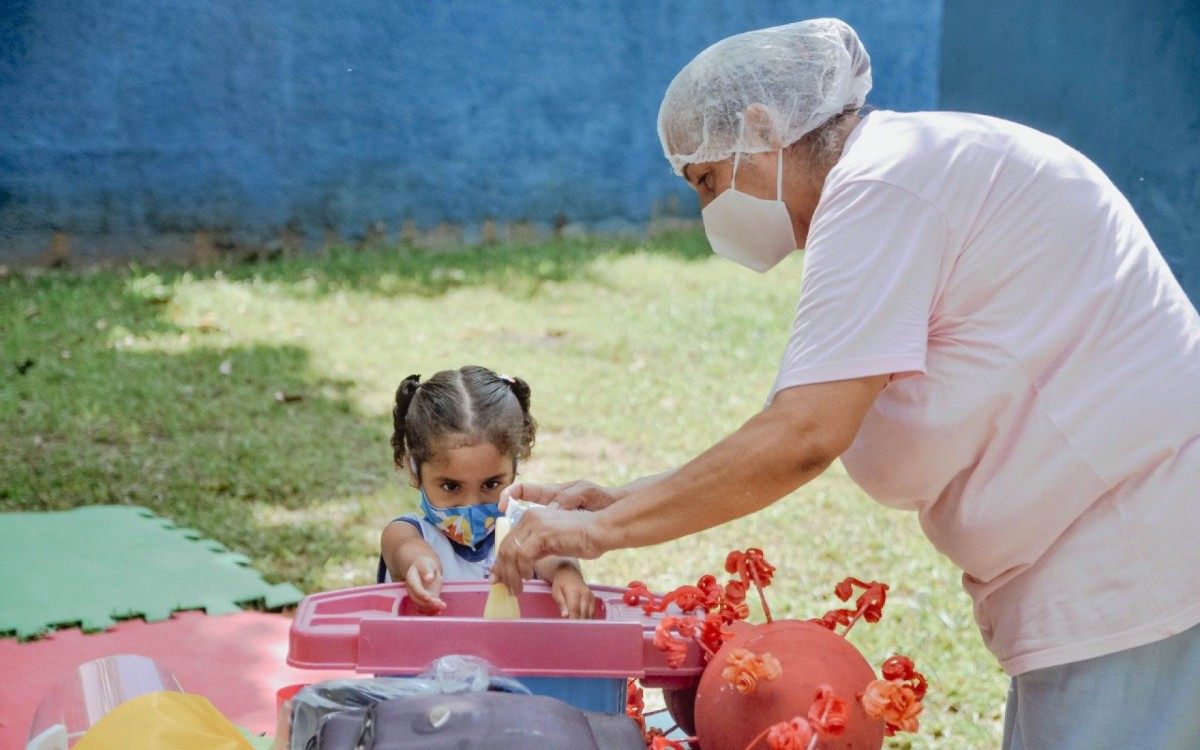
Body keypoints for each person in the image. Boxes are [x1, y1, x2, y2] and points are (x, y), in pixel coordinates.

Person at [490, 17, 1200, 749]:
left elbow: (804, 434)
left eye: (707, 180)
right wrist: (628, 495)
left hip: (1135, 550)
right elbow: (806, 419)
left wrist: (599, 531)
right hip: (1113, 557)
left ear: (763, 128)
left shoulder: (883, 185)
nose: (708, 212)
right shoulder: (901, 174)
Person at [379, 366, 595, 619]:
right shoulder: (406, 532)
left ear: (514, 467)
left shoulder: (528, 527)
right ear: (414, 471)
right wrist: (422, 566)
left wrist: (565, 574)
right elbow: (407, 551)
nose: (472, 504)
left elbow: (553, 553)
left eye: (491, 484)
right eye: (451, 486)